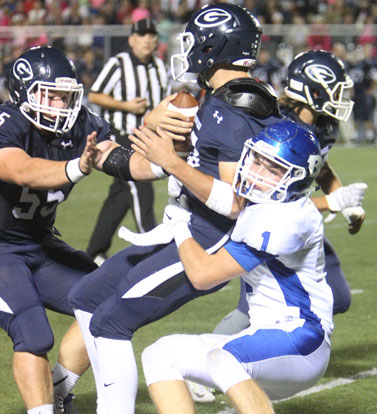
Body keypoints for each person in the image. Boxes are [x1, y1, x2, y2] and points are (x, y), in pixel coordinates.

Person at [68, 3, 282, 413]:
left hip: (208, 240)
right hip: (184, 225)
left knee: (109, 324)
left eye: (194, 40)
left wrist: (173, 163)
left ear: (214, 45)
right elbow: (192, 161)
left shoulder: (232, 108)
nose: (187, 48)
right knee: (85, 294)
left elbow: (236, 202)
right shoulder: (222, 98)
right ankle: (67, 391)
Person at [0, 45, 166, 414]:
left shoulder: (83, 125)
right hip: (1, 249)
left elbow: (119, 159)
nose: (61, 105)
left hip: (38, 243)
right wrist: (77, 166)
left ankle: (58, 390)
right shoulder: (7, 122)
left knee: (105, 302)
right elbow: (20, 170)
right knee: (33, 333)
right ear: (23, 92)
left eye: (66, 96)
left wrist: (165, 164)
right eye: (51, 96)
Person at [141, 120, 332, 414]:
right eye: (257, 160)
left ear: (297, 179)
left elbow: (203, 275)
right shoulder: (263, 203)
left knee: (224, 357)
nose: (257, 173)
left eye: (273, 169)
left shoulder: (286, 218)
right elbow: (228, 202)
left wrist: (180, 224)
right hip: (264, 336)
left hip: (302, 338)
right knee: (159, 354)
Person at [213, 49, 368, 337]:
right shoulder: (278, 126)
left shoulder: (323, 124)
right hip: (265, 223)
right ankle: (210, 362)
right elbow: (269, 196)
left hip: (299, 223)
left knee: (339, 297)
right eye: (334, 91)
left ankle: (275, 335)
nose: (341, 98)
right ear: (314, 90)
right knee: (249, 310)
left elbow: (319, 167)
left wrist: (344, 205)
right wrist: (332, 202)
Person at [86, 17, 171, 266]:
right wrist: (125, 105)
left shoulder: (159, 65)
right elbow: (94, 94)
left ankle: (93, 253)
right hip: (123, 135)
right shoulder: (119, 63)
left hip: (149, 136)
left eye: (152, 35)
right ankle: (156, 251)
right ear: (132, 39)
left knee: (119, 198)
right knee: (141, 187)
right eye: (143, 35)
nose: (148, 40)